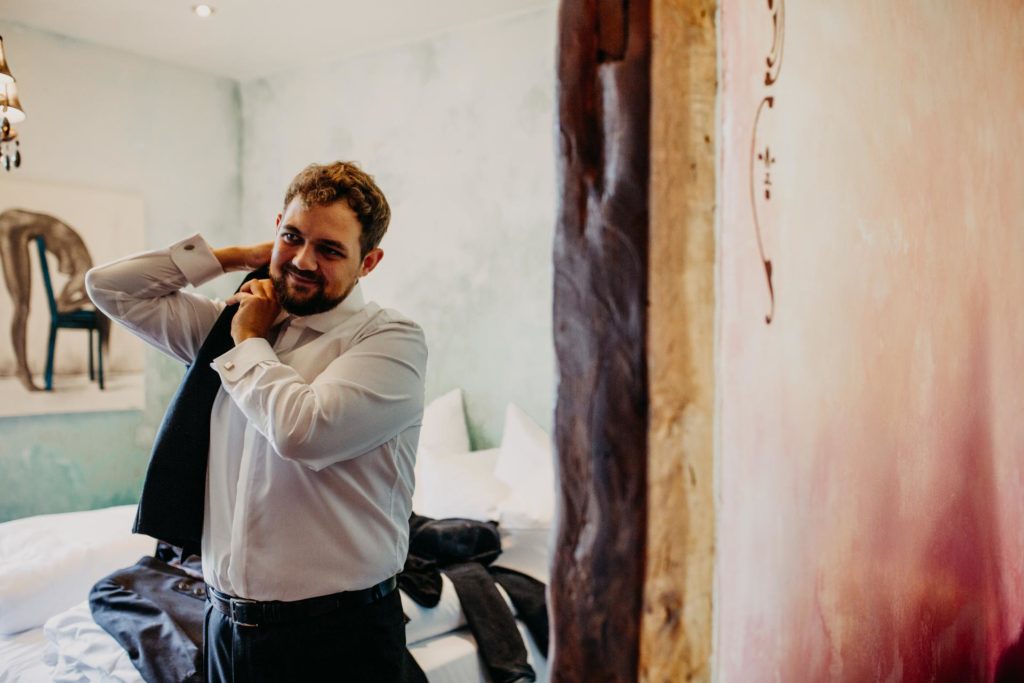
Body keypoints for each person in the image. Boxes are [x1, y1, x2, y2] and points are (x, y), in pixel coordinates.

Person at [86, 161, 427, 682]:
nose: (304, 261)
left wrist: (250, 341)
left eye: (330, 249)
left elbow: (302, 432)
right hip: (226, 626)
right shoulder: (237, 319)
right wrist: (238, 258)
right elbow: (110, 288)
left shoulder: (388, 340)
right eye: (293, 237)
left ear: (369, 261)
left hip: (338, 640)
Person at [0, 208, 107, 391]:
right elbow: (61, 305)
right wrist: (86, 301)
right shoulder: (85, 275)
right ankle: (22, 369)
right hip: (13, 225)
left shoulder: (85, 263)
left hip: (18, 223)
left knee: (22, 306)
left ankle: (22, 369)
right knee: (22, 307)